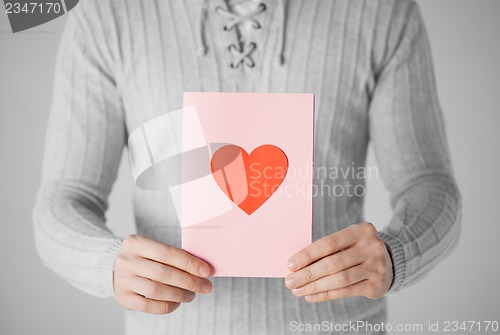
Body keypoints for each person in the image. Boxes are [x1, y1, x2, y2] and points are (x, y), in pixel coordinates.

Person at [33, 0, 462, 334]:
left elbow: (431, 185)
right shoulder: (107, 17)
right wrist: (105, 263)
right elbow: (62, 199)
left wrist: (397, 252)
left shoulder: (381, 13)